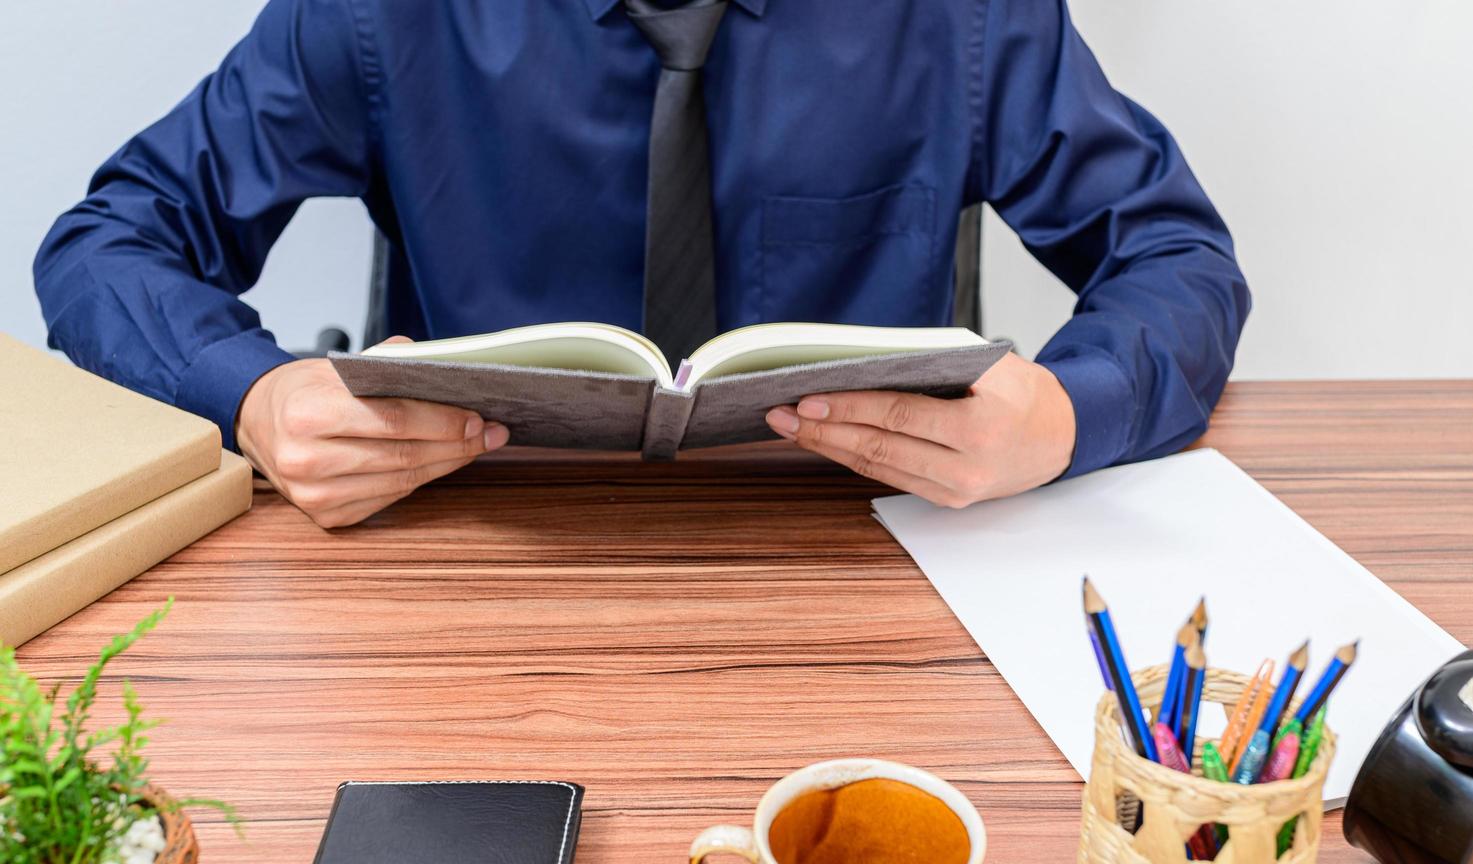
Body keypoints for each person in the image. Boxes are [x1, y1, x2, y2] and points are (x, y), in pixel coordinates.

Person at [34, 0, 1249, 528]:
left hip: (866, 555)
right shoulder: (382, 15)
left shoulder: (963, 18)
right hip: (476, 555)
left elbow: (1177, 254)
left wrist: (1062, 419)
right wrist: (256, 393)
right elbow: (108, 241)